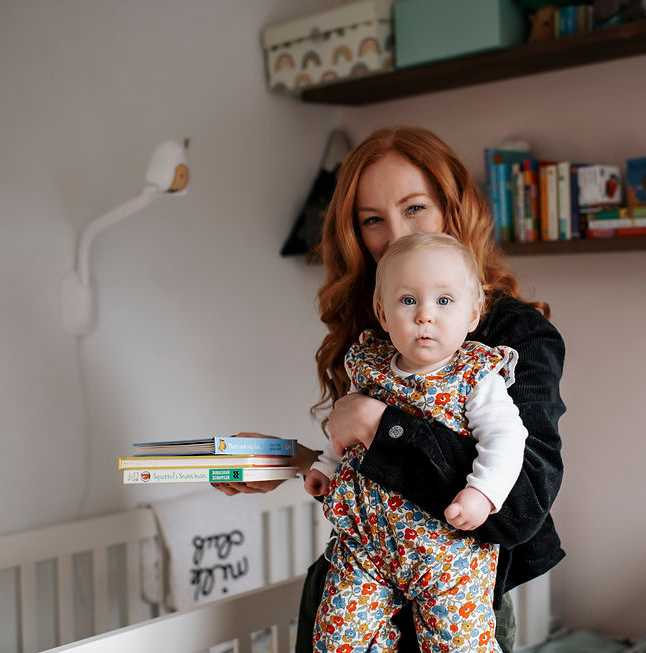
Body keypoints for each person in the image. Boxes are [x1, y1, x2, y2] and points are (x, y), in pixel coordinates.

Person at [214, 126, 566, 653]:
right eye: (373, 220)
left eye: (415, 208)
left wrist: (382, 425)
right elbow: (363, 461)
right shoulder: (374, 330)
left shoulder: (513, 339)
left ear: (453, 209)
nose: (396, 234)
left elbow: (519, 504)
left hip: (454, 609)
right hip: (350, 594)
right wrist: (293, 460)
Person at [306, 232, 528, 651]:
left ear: (473, 314)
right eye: (408, 301)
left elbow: (505, 438)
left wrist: (482, 493)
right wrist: (325, 466)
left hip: (447, 552)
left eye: (444, 301)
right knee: (337, 637)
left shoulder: (475, 376)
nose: (425, 315)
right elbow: (346, 432)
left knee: (458, 643)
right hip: (365, 546)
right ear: (383, 313)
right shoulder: (370, 368)